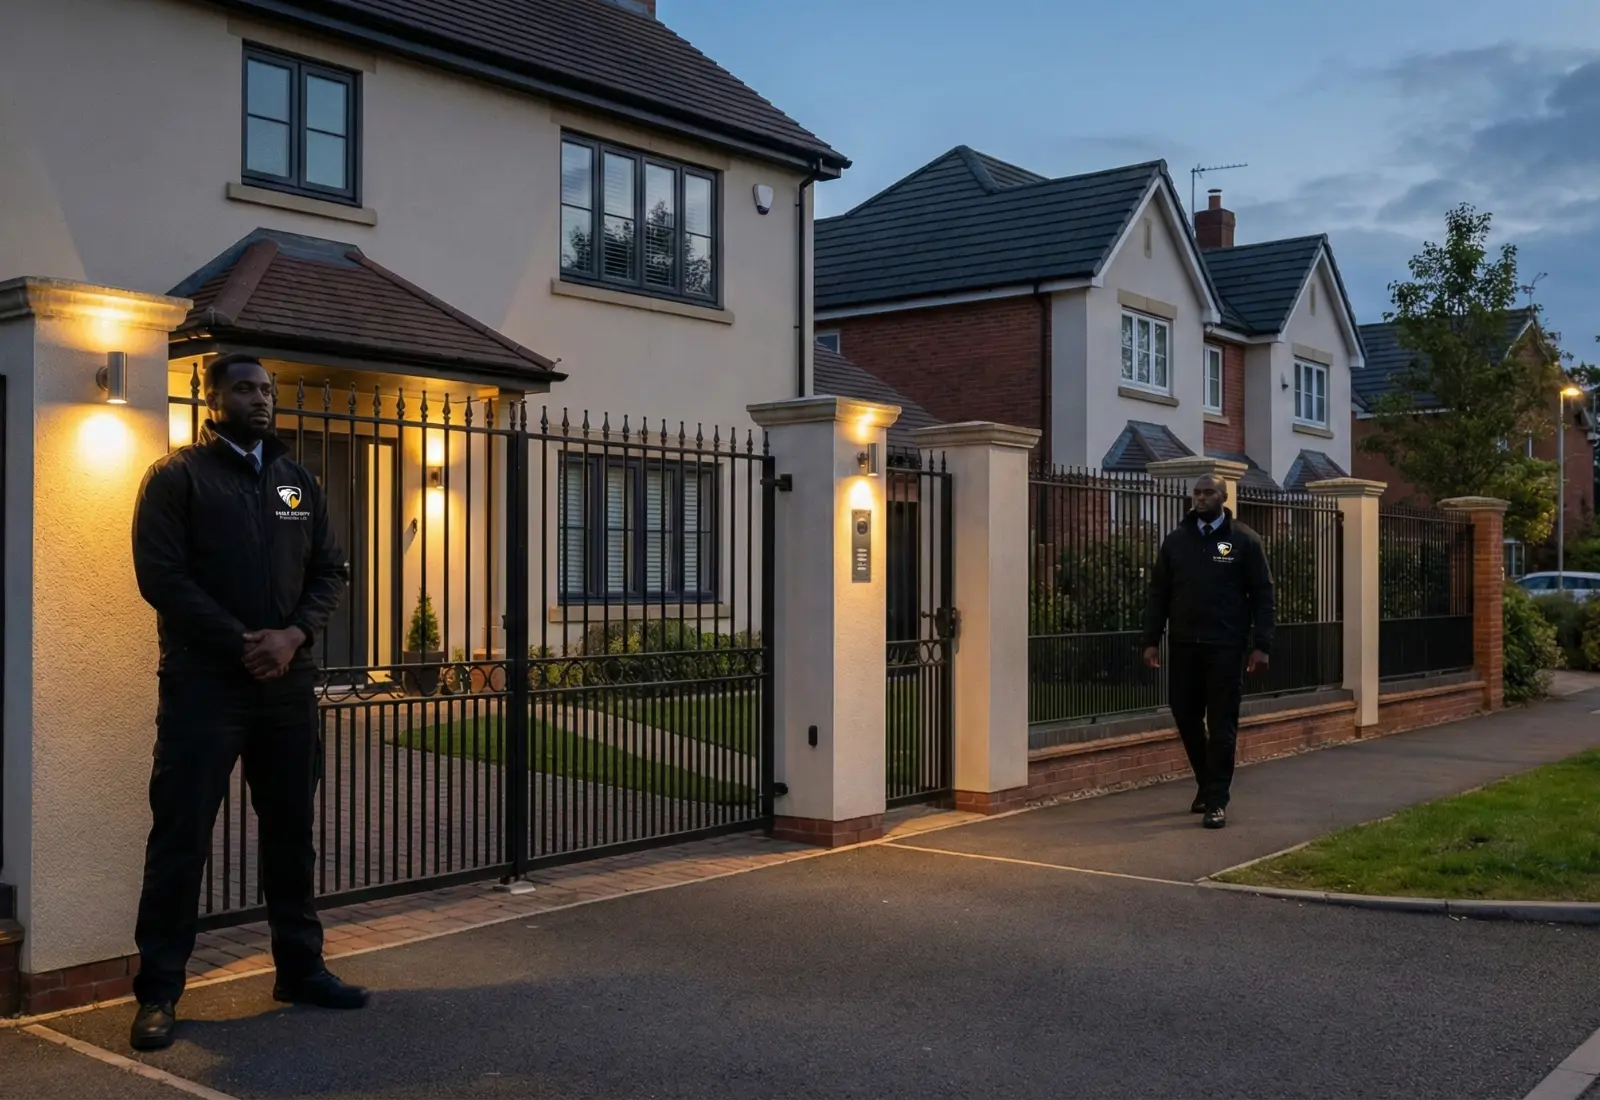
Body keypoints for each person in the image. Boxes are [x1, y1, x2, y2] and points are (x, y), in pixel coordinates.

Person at [128, 353, 365, 1051]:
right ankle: (160, 993)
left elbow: (331, 569)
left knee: (291, 834)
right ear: (212, 398)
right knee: (181, 839)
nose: (260, 399)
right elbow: (161, 577)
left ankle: (300, 968)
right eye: (243, 388)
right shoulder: (178, 478)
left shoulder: (296, 482)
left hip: (287, 688)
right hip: (206, 686)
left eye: (266, 389)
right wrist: (242, 642)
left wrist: (292, 636)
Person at [1139, 475, 1275, 830]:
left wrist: (1262, 645)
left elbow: (1263, 595)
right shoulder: (1176, 542)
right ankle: (1205, 780)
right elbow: (1159, 594)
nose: (1200, 498)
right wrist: (1150, 639)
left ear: (1223, 496)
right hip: (1184, 645)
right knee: (1184, 715)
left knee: (1221, 724)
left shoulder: (1244, 540)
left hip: (1225, 647)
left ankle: (1216, 800)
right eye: (1196, 492)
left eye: (1208, 492)